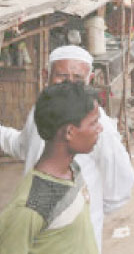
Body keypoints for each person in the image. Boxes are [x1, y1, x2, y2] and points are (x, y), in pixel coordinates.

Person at [0, 46, 134, 253]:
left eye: (77, 79)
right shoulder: (30, 205)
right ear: (47, 76)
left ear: (89, 79)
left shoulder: (92, 131)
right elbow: (22, 145)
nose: (69, 84)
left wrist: (90, 209)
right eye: (62, 77)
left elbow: (120, 180)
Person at [0, 82, 103, 254]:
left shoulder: (73, 169)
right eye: (94, 123)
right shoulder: (30, 206)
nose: (100, 128)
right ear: (69, 132)